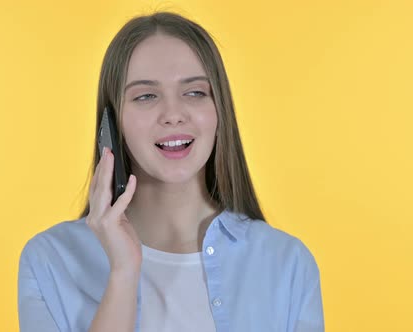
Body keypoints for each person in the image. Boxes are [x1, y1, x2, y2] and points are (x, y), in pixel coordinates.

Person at [18, 11, 324, 332]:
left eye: (194, 92)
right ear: (112, 124)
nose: (174, 114)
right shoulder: (50, 261)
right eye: (146, 96)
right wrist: (123, 271)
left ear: (220, 111)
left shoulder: (287, 263)